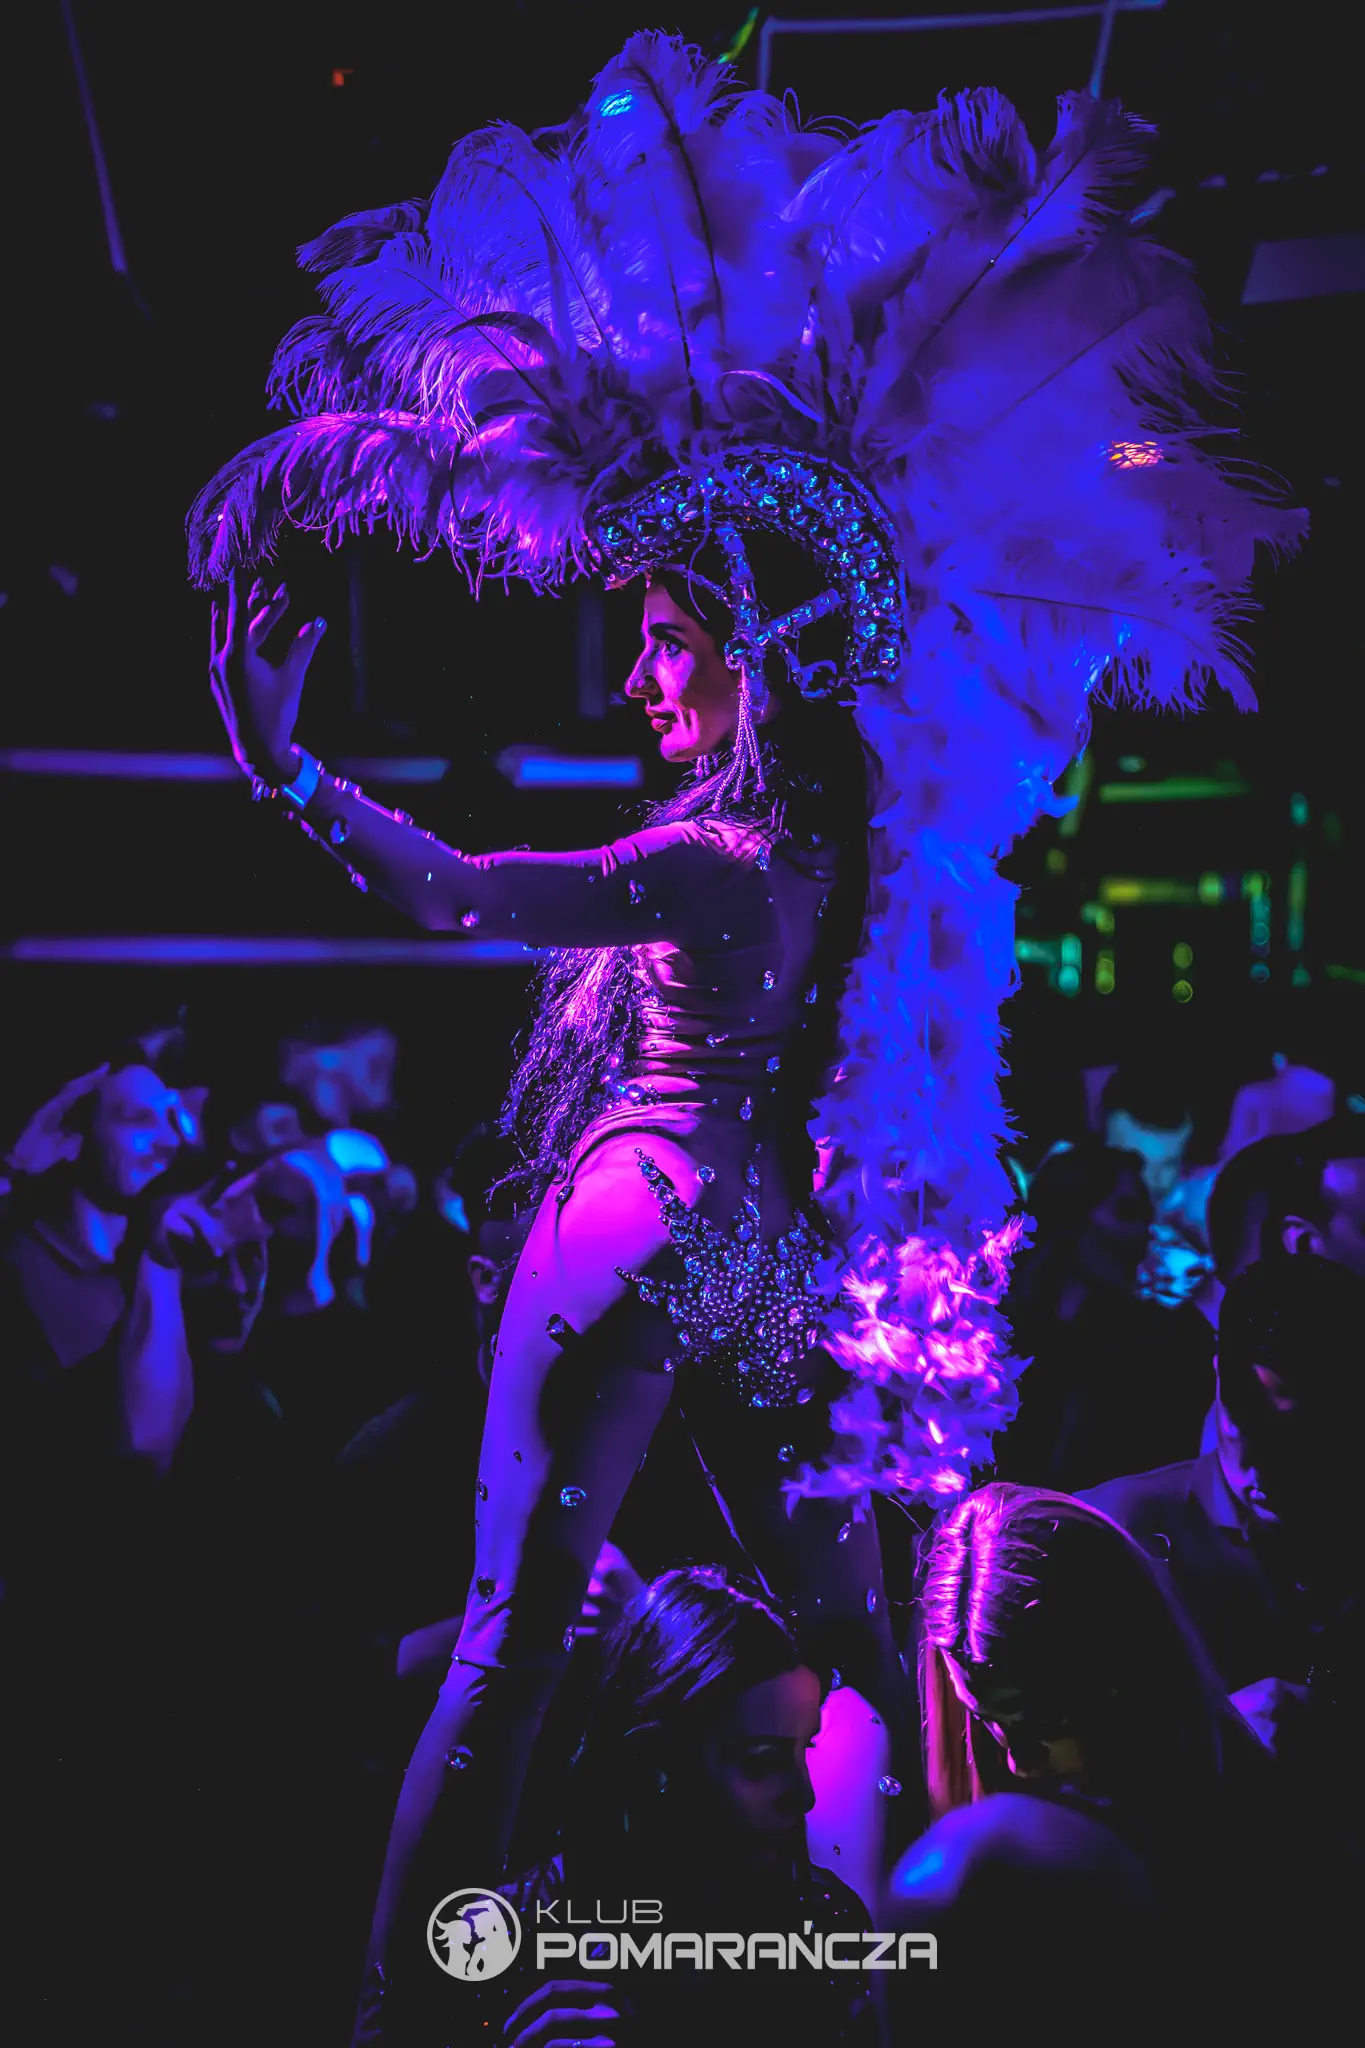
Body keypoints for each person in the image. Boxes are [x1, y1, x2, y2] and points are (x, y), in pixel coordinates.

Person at [186, 31, 1300, 2031]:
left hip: (640, 1209)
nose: (636, 677)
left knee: (508, 1643)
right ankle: (886, 1963)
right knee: (849, 1629)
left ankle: (396, 2006)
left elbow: (467, 891)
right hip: (765, 1249)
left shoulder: (713, 858)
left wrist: (292, 773)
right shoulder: (858, 861)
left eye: (667, 638)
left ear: (757, 653)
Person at [421, 1567, 877, 2048]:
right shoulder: (506, 1934)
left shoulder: (825, 1927)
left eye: (806, 1748)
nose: (804, 1796)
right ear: (654, 1762)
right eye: (762, 1762)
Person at [886, 1483, 1298, 2010]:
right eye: (988, 1723)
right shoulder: (985, 1873)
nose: (1017, 1762)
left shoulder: (1258, 1845)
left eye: (1046, 1721)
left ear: (1123, 1672)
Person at [1081, 1257, 1365, 1826]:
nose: (1263, 1466)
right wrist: (1199, 1743)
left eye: (1301, 1435)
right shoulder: (1111, 1533)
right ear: (1217, 1372)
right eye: (1243, 1419)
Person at [994, 1141, 1214, 1491]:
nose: (1143, 1231)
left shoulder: (1167, 1342)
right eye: (1127, 1211)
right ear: (1068, 1215)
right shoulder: (991, 1332)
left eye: (1146, 1214)